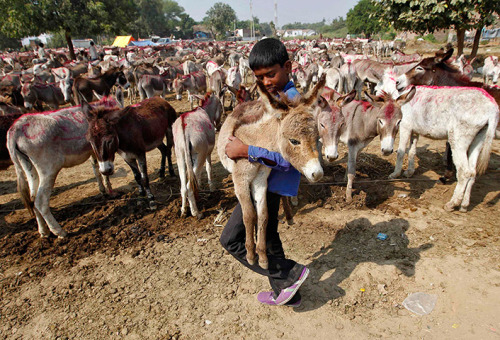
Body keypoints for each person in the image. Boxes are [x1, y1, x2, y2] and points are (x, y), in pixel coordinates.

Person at [220, 38, 307, 308]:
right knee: (268, 238)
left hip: (271, 180)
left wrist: (247, 150)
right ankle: (288, 292)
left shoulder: (293, 104)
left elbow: (289, 159)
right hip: (264, 180)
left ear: (288, 67)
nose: (267, 82)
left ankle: (291, 273)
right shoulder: (275, 99)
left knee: (232, 239)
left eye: (272, 74)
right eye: (260, 77)